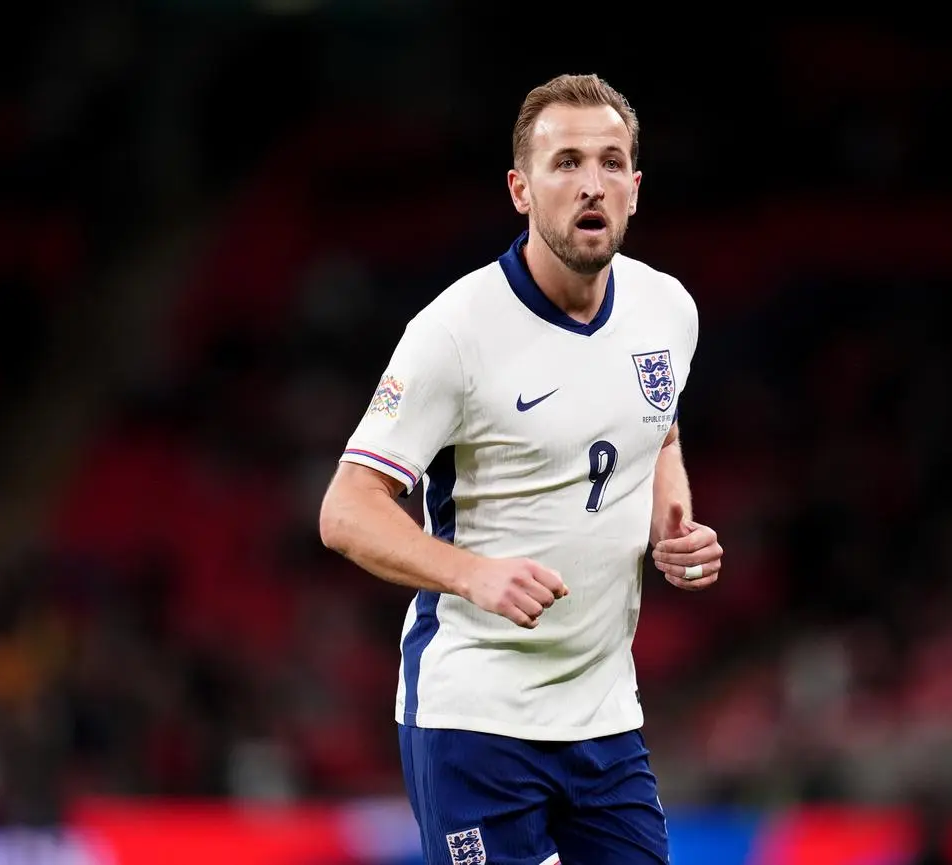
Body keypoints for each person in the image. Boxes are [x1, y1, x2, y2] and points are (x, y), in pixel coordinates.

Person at [319, 72, 722, 865]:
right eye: (565, 162)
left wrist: (671, 522)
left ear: (635, 189)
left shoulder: (668, 309)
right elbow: (347, 508)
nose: (591, 184)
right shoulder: (455, 333)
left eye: (610, 163)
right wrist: (472, 573)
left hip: (605, 716)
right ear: (520, 188)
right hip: (476, 717)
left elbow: (659, 426)